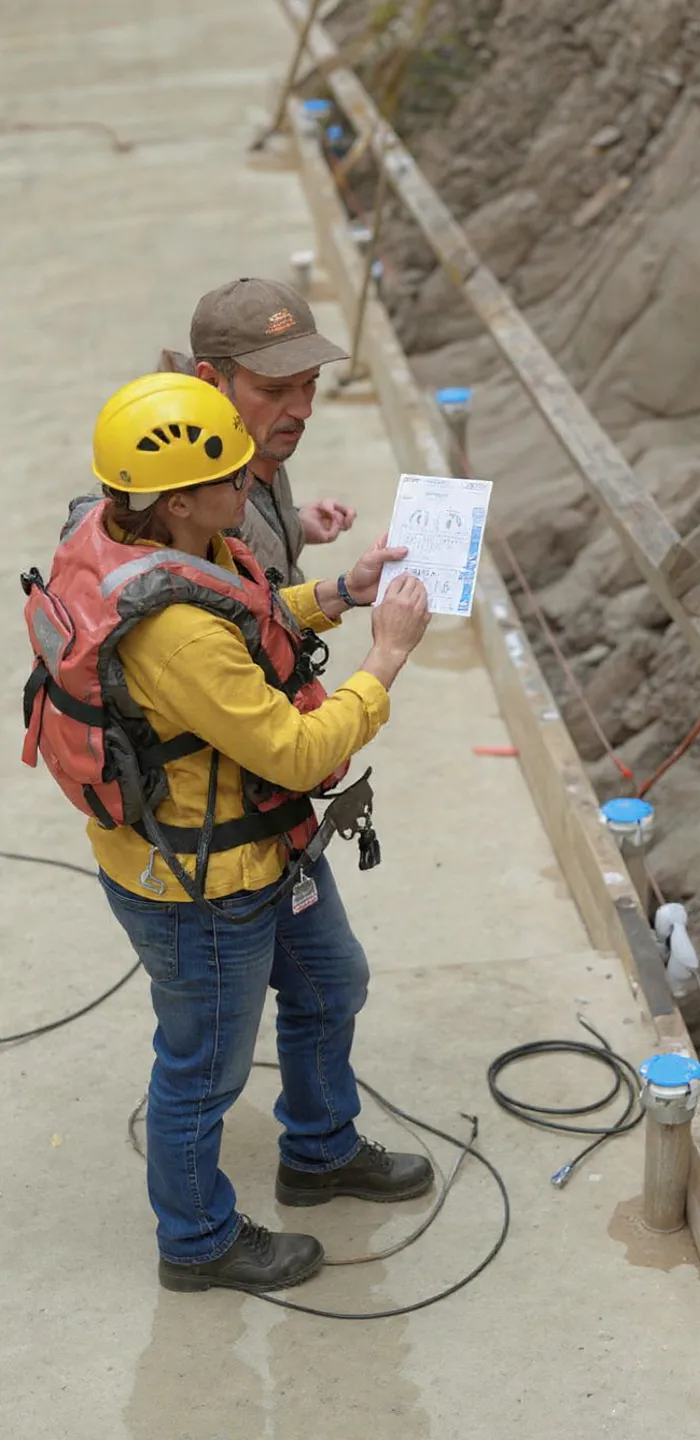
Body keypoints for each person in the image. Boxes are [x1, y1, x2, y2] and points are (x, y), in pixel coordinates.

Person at [22, 372, 432, 1296]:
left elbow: (244, 621)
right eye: (233, 474)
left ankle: (319, 1153)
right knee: (202, 1067)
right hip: (200, 887)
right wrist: (388, 657)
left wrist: (338, 592)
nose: (252, 480)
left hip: (258, 852)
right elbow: (293, 749)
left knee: (333, 982)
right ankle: (197, 1241)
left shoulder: (150, 545)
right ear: (175, 501)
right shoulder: (169, 634)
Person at [159, 277, 356, 581]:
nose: (304, 409)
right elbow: (248, 625)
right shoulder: (188, 505)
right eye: (274, 391)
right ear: (212, 382)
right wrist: (348, 593)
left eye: (310, 382)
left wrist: (294, 525)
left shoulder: (248, 433)